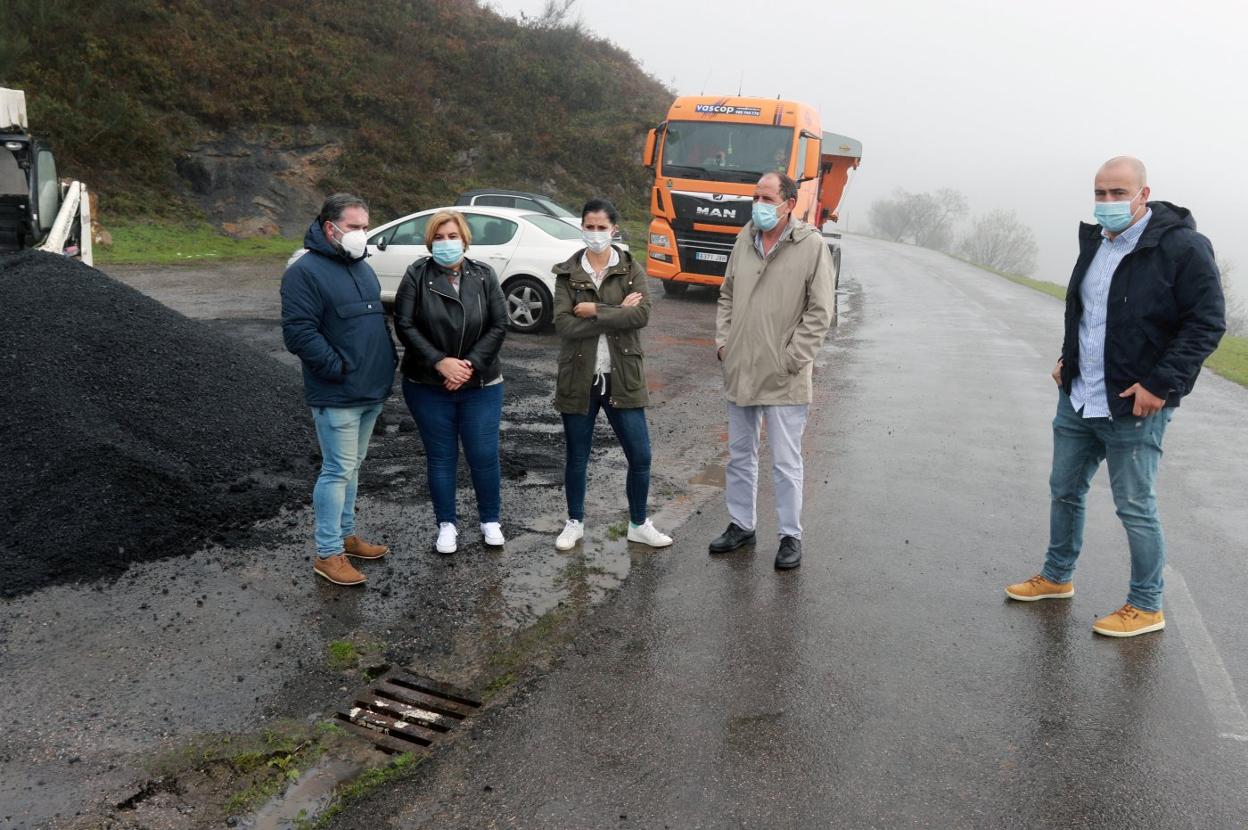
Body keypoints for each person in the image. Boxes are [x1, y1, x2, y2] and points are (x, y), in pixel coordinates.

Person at [1006, 156, 1225, 637]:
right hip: (1080, 397)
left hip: (1134, 403)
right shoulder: (1097, 243)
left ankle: (1146, 605)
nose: (1107, 202)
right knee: (1064, 490)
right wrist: (1068, 358)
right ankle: (1057, 577)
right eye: (1101, 193)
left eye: (1117, 193)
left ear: (1143, 194)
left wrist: (1160, 385)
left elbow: (1206, 324)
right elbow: (1085, 313)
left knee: (1135, 506)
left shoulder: (1182, 248)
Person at [710, 172, 836, 570]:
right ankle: (741, 525)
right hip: (741, 366)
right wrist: (723, 342)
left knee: (785, 460)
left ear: (788, 203)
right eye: (756, 196)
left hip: (784, 373)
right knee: (740, 454)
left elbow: (821, 311)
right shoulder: (744, 239)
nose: (758, 204)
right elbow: (727, 293)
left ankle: (789, 536)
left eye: (766, 197)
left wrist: (794, 358)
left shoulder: (810, 245)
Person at [281, 193, 398, 586]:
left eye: (365, 226)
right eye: (355, 227)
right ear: (331, 228)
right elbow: (299, 333)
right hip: (337, 393)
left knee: (352, 468)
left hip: (369, 390)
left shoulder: (361, 267)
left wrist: (386, 364)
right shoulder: (305, 272)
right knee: (336, 470)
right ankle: (328, 553)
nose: (363, 234)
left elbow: (374, 322)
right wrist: (338, 369)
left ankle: (346, 536)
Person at [551, 199, 673, 551]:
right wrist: (617, 311)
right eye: (589, 226)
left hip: (623, 375)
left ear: (614, 230)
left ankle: (638, 523)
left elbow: (642, 316)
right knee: (577, 455)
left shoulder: (632, 268)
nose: (595, 233)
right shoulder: (567, 273)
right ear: (581, 227)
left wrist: (594, 310)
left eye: (602, 227)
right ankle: (574, 522)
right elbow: (563, 325)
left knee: (641, 455)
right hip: (579, 376)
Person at [393, 210, 508, 554]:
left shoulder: (484, 275)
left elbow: (499, 325)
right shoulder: (416, 275)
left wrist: (469, 365)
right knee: (441, 457)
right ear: (430, 242)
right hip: (428, 383)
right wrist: (440, 362)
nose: (446, 243)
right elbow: (404, 323)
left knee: (483, 454)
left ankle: (490, 521)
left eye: (452, 236)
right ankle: (447, 524)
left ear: (465, 239)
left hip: (481, 384)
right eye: (439, 237)